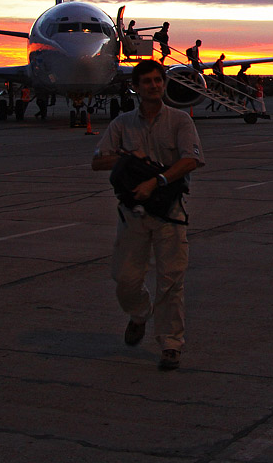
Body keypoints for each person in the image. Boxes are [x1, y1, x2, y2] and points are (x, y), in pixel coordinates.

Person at [91, 60, 205, 371]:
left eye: (158, 80)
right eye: (147, 82)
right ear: (136, 87)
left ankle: (170, 343)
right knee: (125, 278)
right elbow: (97, 161)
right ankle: (139, 313)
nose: (154, 86)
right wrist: (127, 158)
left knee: (170, 281)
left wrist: (158, 180)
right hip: (133, 214)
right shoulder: (122, 123)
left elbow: (192, 159)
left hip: (168, 211)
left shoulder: (180, 121)